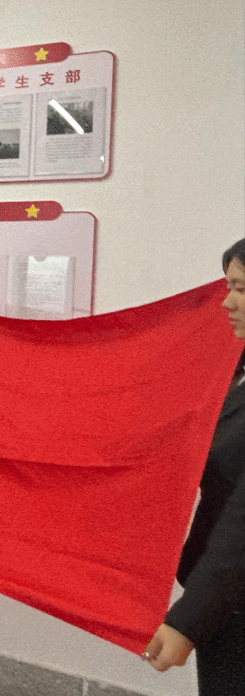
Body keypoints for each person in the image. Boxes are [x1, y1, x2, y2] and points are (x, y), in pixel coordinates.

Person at [142, 238, 245, 695]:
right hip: (227, 603)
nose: (227, 303)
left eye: (240, 288)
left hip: (231, 599)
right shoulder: (237, 367)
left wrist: (188, 621)